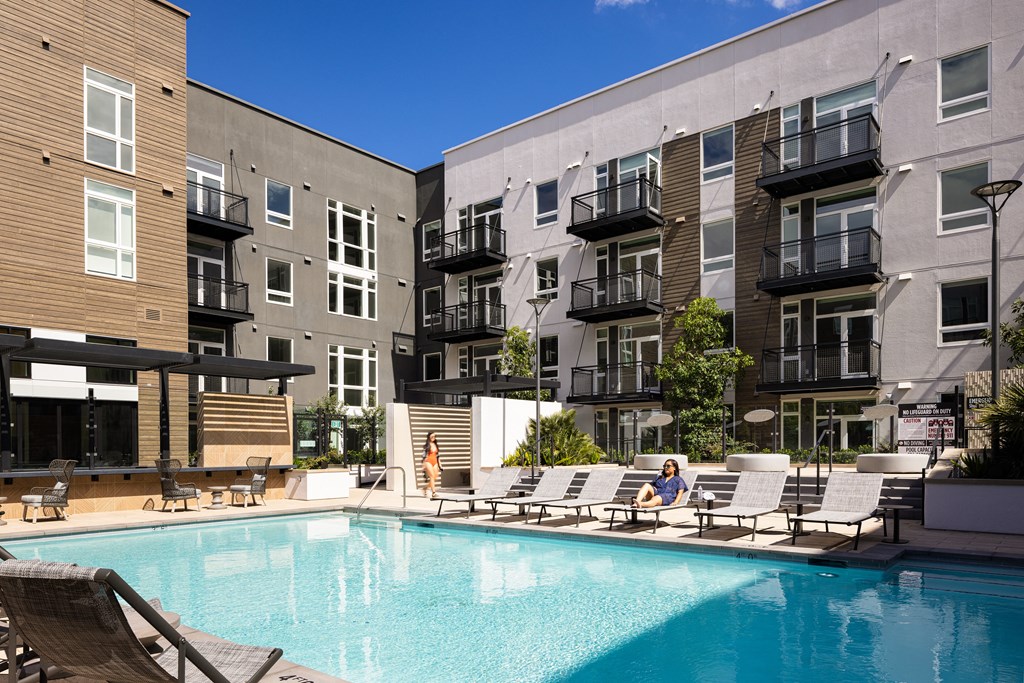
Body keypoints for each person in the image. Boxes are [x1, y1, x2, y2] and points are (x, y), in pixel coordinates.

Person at [421, 432, 443, 498]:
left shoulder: (435, 445)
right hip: (428, 462)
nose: (433, 438)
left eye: (434, 436)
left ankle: (425, 488)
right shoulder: (426, 446)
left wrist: (440, 465)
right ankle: (434, 493)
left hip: (435, 462)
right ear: (429, 437)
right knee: (432, 477)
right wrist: (423, 465)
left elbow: (438, 456)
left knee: (435, 476)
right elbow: (424, 456)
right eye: (432, 437)